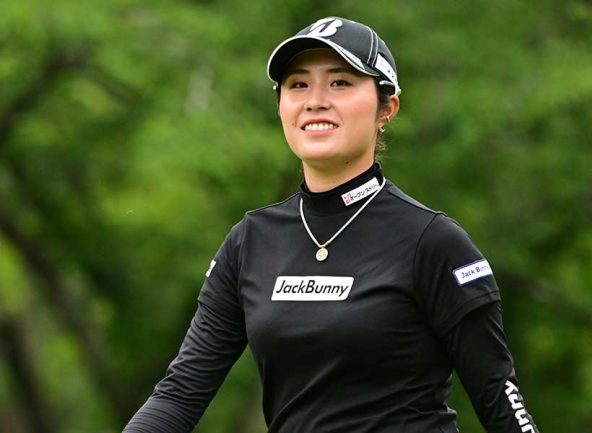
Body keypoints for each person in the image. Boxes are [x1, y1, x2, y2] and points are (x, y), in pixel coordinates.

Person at [123, 16, 540, 433]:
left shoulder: (433, 242)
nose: (315, 101)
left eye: (340, 82)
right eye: (298, 84)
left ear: (386, 108)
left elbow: (501, 402)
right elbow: (180, 394)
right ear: (281, 106)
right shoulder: (250, 241)